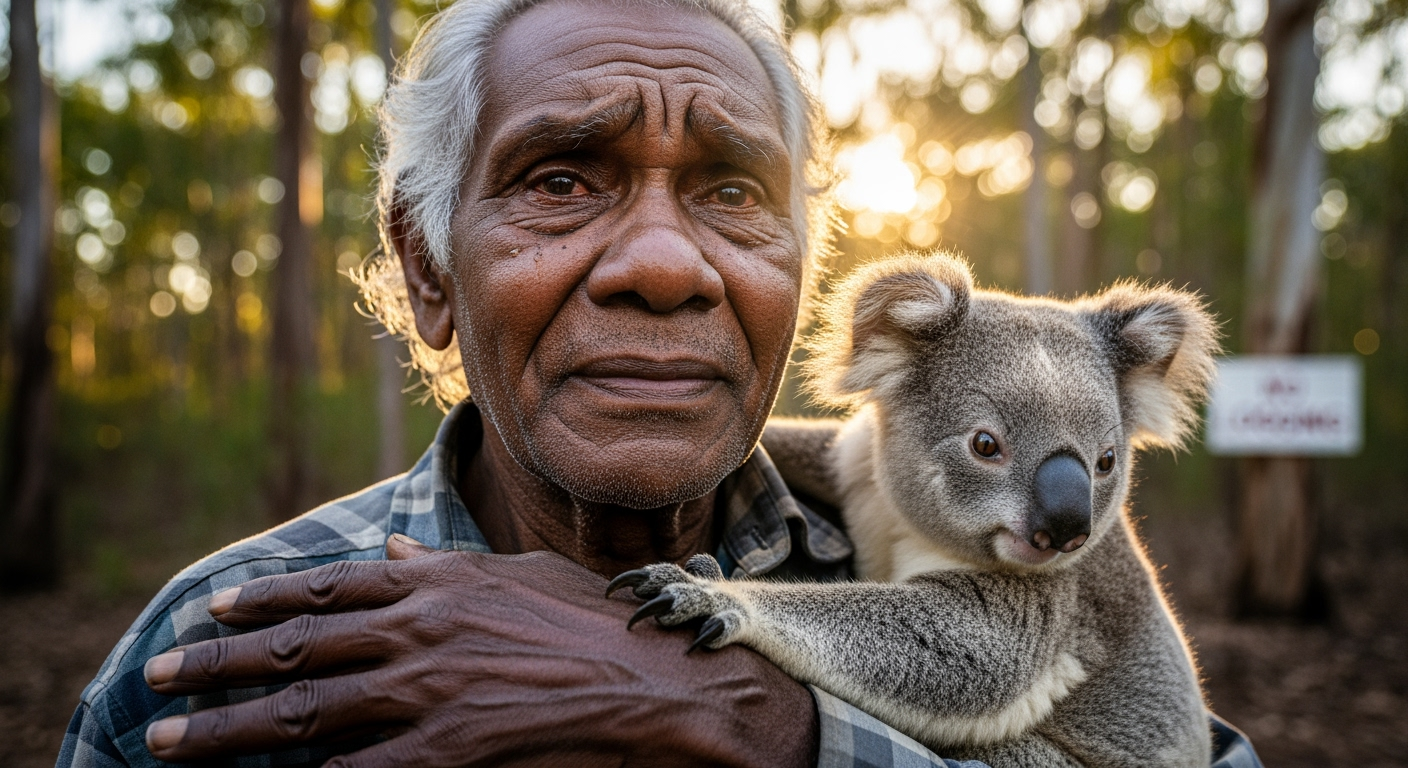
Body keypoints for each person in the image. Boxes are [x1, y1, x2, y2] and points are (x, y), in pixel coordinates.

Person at [58, 0, 1263, 765]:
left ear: (798, 278)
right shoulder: (236, 650)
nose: (662, 266)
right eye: (563, 179)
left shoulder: (905, 534)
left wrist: (770, 722)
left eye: (733, 194)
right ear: (426, 266)